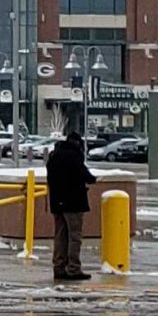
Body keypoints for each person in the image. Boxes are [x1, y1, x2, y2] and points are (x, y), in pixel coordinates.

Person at [45, 120, 94, 282]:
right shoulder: (73, 156)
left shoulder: (53, 156)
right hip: (73, 202)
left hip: (56, 202)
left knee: (60, 235)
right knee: (74, 236)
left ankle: (59, 267)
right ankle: (74, 268)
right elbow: (86, 176)